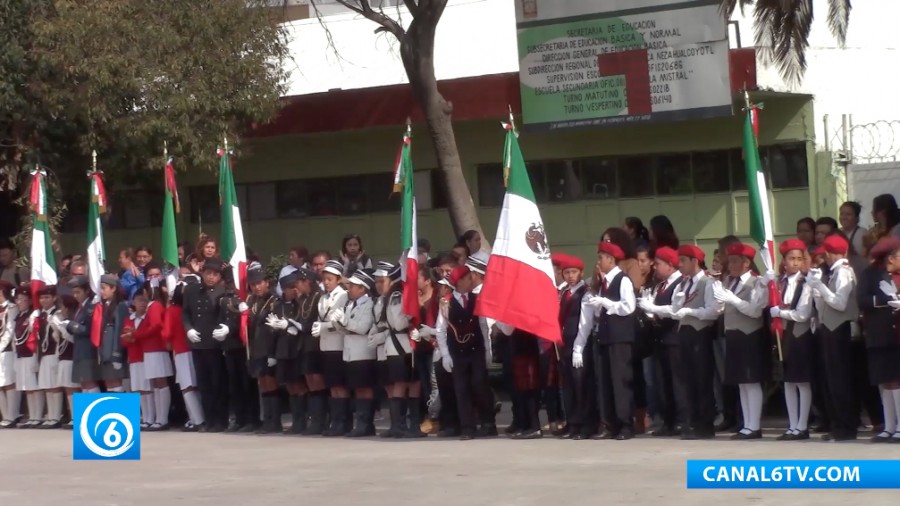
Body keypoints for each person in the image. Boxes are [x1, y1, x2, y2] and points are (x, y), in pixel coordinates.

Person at [578, 241, 637, 440]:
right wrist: (595, 304)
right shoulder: (604, 283)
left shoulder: (623, 280)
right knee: (605, 382)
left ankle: (626, 425)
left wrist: (604, 302)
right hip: (604, 337)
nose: (599, 261)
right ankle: (610, 423)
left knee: (620, 382)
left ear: (611, 260)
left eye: (601, 257)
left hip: (619, 338)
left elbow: (628, 307)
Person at [436, 259, 497, 440]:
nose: (472, 281)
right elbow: (440, 330)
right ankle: (467, 427)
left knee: (479, 384)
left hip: (476, 350)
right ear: (460, 281)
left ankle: (488, 422)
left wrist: (487, 351)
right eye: (469, 278)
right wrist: (445, 355)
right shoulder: (445, 303)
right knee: (461, 389)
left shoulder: (476, 299)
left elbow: (483, 325)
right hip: (457, 352)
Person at [807, 234, 859, 441]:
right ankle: (838, 424)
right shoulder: (832, 273)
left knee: (841, 380)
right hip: (829, 328)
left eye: (825, 253)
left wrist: (820, 286)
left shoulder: (844, 272)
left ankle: (846, 426)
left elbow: (840, 303)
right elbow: (825, 305)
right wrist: (817, 291)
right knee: (832, 380)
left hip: (841, 329)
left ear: (829, 253)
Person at [714, 243, 768, 440]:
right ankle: (747, 424)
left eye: (736, 260)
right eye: (730, 260)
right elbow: (722, 308)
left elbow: (755, 311)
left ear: (747, 263)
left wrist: (733, 300)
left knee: (751, 381)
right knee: (740, 382)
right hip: (734, 334)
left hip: (750, 335)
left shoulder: (757, 282)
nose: (731, 264)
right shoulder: (729, 281)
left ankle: (755, 425)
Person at [671, 245, 721, 439]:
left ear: (694, 261)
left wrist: (691, 312)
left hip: (700, 334)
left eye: (683, 260)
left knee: (702, 379)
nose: (679, 264)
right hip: (684, 333)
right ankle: (691, 422)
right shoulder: (683, 283)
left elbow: (713, 311)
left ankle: (705, 424)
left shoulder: (708, 282)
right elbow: (676, 309)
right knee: (687, 380)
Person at [370, 262, 424, 438]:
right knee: (399, 384)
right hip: (399, 345)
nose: (379, 284)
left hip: (403, 345)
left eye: (382, 280)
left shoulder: (395, 295)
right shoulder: (395, 296)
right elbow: (399, 323)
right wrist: (410, 314)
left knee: (411, 383)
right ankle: (398, 425)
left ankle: (411, 424)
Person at [770, 239, 815, 441]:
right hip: (783, 336)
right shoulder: (779, 283)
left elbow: (803, 314)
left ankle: (802, 425)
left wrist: (780, 312)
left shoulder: (805, 282)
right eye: (791, 258)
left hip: (800, 335)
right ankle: (792, 424)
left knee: (802, 381)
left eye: (799, 259)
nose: (795, 263)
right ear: (784, 261)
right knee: (788, 381)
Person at [638, 246, 685, 437]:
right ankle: (668, 421)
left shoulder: (680, 283)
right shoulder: (660, 285)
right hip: (660, 338)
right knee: (662, 381)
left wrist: (654, 309)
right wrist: (649, 311)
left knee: (677, 382)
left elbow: (675, 310)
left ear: (670, 265)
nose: (655, 267)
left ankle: (682, 420)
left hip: (674, 339)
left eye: (658, 264)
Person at [858, 236, 900, 442]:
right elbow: (862, 299)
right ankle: (889, 425)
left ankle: (899, 425)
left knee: (896, 380)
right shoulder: (871, 274)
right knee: (884, 381)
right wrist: (885, 300)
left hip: (896, 335)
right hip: (879, 333)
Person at [182, 258, 230, 432]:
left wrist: (226, 328)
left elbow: (227, 314)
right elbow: (186, 313)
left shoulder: (223, 291)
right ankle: (209, 419)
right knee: (203, 383)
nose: (211, 277)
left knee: (218, 383)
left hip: (215, 343)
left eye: (215, 274)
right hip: (197, 342)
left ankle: (221, 420)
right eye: (208, 273)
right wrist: (188, 329)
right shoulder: (192, 290)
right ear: (202, 273)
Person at [334, 269, 377, 437]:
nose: (349, 288)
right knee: (356, 389)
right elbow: (345, 329)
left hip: (363, 352)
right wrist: (339, 323)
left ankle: (366, 424)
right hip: (350, 352)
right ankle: (360, 423)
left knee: (364, 388)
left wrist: (346, 322)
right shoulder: (350, 304)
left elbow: (363, 327)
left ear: (362, 289)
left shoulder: (369, 304)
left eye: (353, 286)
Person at [313, 259, 351, 436]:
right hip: (325, 345)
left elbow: (342, 322)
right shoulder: (322, 297)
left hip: (338, 344)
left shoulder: (343, 296)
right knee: (332, 386)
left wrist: (324, 326)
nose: (326, 282)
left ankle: (343, 422)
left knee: (340, 385)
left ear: (338, 279)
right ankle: (335, 421)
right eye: (324, 279)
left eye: (330, 279)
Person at [558, 254, 594, 439]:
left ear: (581, 272)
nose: (570, 276)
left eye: (574, 272)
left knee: (581, 384)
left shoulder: (585, 292)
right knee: (569, 385)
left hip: (580, 342)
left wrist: (579, 347)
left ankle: (585, 424)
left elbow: (585, 322)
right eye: (567, 272)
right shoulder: (565, 292)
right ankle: (572, 422)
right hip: (565, 342)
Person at [241, 265, 279, 433]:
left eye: (260, 283)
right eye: (253, 284)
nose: (257, 287)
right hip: (256, 348)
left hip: (269, 347)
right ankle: (267, 419)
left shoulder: (274, 301)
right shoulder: (251, 301)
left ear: (267, 283)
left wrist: (273, 353)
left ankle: (275, 420)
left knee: (271, 382)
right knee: (262, 383)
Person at [163, 282, 205, 431]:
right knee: (196, 385)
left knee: (187, 387)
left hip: (180, 351)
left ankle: (197, 420)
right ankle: (198, 418)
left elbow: (167, 332)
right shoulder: (192, 309)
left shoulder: (172, 310)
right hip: (195, 349)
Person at [132, 283, 173, 431]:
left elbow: (156, 326)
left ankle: (162, 419)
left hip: (156, 348)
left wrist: (138, 334)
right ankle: (158, 418)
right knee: (156, 384)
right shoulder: (151, 307)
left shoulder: (154, 305)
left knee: (161, 382)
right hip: (149, 350)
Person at [121, 289, 153, 428]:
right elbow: (124, 340)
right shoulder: (129, 319)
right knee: (138, 389)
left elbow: (145, 335)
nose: (142, 303)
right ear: (133, 302)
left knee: (148, 388)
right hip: (133, 358)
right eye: (139, 300)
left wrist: (134, 336)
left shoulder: (148, 317)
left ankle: (151, 418)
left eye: (145, 300)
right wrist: (131, 338)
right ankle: (145, 417)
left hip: (145, 357)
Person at [13, 286, 41, 427]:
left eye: (23, 299)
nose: (20, 302)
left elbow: (33, 337)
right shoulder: (19, 316)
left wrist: (36, 356)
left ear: (30, 301)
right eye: (18, 299)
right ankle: (32, 415)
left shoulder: (31, 316)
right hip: (21, 354)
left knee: (33, 387)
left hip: (31, 354)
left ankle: (38, 416)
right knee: (26, 387)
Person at [96, 275, 129, 392]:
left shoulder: (121, 306)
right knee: (109, 383)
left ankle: (121, 410)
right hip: (105, 353)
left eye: (104, 288)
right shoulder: (104, 306)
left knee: (117, 383)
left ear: (113, 288)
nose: (101, 291)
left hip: (114, 353)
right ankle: (112, 410)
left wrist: (117, 354)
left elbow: (119, 330)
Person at [0, 281, 19, 427]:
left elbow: (9, 330)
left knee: (9, 383)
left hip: (7, 350)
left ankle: (12, 415)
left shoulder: (12, 308)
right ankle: (5, 416)